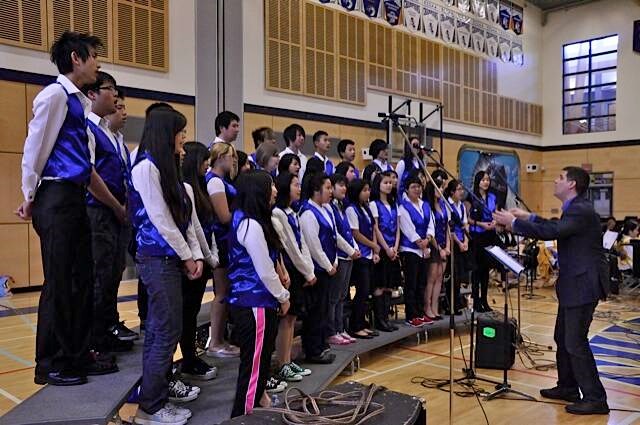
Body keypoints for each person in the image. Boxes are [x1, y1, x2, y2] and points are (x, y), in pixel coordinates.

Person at [17, 31, 116, 386]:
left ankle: (76, 353)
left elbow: (83, 160)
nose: (98, 64)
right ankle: (50, 363)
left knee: (81, 281)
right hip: (56, 196)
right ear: (76, 58)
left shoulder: (80, 103)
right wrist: (29, 194)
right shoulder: (54, 96)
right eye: (94, 57)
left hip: (74, 197)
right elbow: (35, 147)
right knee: (59, 283)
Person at [494, 166, 610, 416]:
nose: (555, 181)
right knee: (562, 337)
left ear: (571, 184)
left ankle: (595, 397)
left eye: (560, 177)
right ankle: (568, 386)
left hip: (582, 285)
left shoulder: (580, 209)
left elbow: (554, 231)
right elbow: (558, 225)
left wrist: (514, 223)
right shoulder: (576, 208)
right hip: (574, 285)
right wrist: (528, 216)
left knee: (575, 342)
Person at [130, 108, 203, 424]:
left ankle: (154, 395)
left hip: (171, 258)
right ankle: (151, 407)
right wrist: (187, 255)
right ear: (166, 133)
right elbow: (160, 219)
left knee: (167, 327)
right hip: (156, 258)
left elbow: (185, 220)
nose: (184, 137)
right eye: (180, 131)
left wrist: (195, 255)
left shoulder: (168, 169)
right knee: (164, 328)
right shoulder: (145, 168)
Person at [228, 170, 291, 417]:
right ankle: (241, 417)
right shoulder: (249, 224)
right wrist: (283, 296)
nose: (275, 190)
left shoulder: (251, 220)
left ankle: (260, 401)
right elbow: (264, 270)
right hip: (253, 303)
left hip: (257, 303)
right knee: (253, 368)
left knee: (261, 362)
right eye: (271, 185)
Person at [83, 72, 136, 359]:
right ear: (92, 94)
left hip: (117, 213)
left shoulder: (112, 135)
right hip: (100, 211)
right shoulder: (90, 129)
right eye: (110, 91)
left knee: (112, 273)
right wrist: (117, 206)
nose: (115, 99)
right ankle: (95, 338)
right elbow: (90, 176)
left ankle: (106, 329)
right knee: (99, 275)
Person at [180, 142, 220, 382]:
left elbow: (209, 226)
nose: (208, 164)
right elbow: (194, 229)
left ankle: (190, 356)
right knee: (186, 313)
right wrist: (206, 256)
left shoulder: (201, 187)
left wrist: (210, 256)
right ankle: (187, 359)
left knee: (192, 311)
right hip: (195, 261)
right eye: (205, 160)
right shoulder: (187, 189)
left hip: (205, 259)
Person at [272, 172, 315, 381]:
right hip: (290, 269)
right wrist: (305, 270)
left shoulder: (292, 211)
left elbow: (302, 243)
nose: (299, 188)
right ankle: (282, 363)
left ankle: (288, 361)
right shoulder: (278, 213)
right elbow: (289, 247)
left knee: (293, 317)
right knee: (286, 319)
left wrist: (309, 269)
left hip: (299, 270)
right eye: (295, 184)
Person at [299, 173, 339, 364]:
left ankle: (321, 343)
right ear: (317, 190)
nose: (331, 192)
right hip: (318, 270)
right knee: (315, 312)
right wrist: (327, 265)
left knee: (323, 310)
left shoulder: (326, 209)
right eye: (328, 187)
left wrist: (335, 261)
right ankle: (313, 350)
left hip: (329, 267)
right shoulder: (308, 213)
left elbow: (333, 236)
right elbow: (313, 245)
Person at [206, 142, 241, 358]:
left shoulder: (222, 181)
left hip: (226, 239)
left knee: (225, 292)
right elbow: (224, 216)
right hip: (220, 240)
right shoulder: (215, 182)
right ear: (219, 157)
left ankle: (220, 339)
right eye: (231, 156)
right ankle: (215, 341)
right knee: (221, 293)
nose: (234, 160)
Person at [398, 175, 435, 327]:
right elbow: (407, 229)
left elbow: (431, 223)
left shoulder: (425, 204)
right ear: (406, 189)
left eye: (419, 186)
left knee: (422, 283)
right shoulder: (403, 207)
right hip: (410, 249)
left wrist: (428, 238)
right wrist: (420, 242)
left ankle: (420, 312)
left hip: (424, 248)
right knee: (411, 283)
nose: (417, 189)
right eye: (413, 186)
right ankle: (411, 314)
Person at [346, 179, 380, 339]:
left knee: (367, 292)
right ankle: (355, 325)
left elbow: (373, 227)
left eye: (368, 189)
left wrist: (374, 249)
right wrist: (373, 244)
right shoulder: (352, 209)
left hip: (369, 253)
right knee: (361, 290)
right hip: (360, 253)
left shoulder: (365, 207)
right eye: (364, 190)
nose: (368, 192)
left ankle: (363, 322)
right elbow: (356, 233)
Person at [328, 174, 359, 344]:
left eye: (345, 185)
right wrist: (349, 250)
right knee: (334, 297)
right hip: (339, 256)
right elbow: (336, 234)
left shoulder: (341, 206)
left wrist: (354, 248)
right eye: (340, 185)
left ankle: (340, 328)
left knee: (342, 296)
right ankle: (332, 330)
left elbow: (347, 231)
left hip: (348, 256)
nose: (344, 188)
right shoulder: (330, 208)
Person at [369, 171, 400, 332]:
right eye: (385, 183)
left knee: (389, 285)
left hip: (393, 249)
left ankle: (386, 318)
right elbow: (376, 228)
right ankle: (379, 319)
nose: (389, 185)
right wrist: (385, 248)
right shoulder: (374, 204)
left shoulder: (394, 204)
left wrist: (395, 247)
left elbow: (398, 229)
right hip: (381, 249)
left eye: (390, 182)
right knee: (379, 285)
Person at [468, 170, 498, 312]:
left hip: (489, 235)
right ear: (478, 182)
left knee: (486, 270)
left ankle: (484, 299)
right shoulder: (471, 197)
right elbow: (467, 218)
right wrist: (480, 224)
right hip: (477, 235)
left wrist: (494, 222)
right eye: (483, 180)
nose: (486, 182)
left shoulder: (492, 196)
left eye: (487, 180)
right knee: (477, 270)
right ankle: (475, 301)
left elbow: (496, 213)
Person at [424, 171, 450, 320]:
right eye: (437, 188)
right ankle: (427, 307)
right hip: (434, 245)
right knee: (431, 278)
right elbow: (430, 230)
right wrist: (439, 248)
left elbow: (446, 226)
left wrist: (447, 246)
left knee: (440, 278)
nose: (440, 191)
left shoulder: (442, 204)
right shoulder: (428, 206)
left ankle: (435, 307)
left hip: (443, 245)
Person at [444, 179, 470, 314]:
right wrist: (459, 243)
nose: (461, 192)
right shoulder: (447, 204)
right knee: (452, 275)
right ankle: (450, 304)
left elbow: (465, 225)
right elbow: (450, 227)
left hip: (462, 242)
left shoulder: (462, 206)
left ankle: (458, 302)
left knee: (459, 276)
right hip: (453, 243)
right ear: (452, 192)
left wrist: (465, 241)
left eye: (462, 189)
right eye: (459, 189)